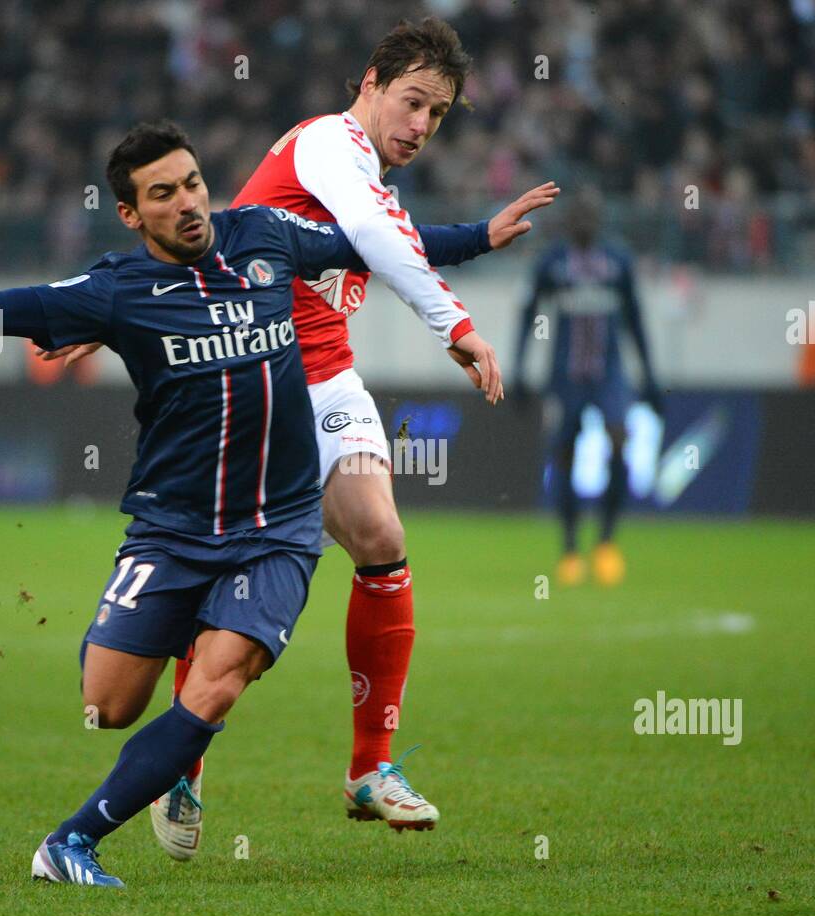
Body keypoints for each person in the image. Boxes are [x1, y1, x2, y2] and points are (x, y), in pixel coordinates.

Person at [0, 120, 502, 888]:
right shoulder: (115, 291)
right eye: (163, 194)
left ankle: (70, 842)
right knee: (109, 705)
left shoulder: (265, 236)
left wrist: (480, 236)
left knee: (217, 684)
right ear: (130, 213)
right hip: (173, 529)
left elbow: (380, 243)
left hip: (275, 529)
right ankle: (173, 665)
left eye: (191, 183)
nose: (188, 203)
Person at [42, 17, 559, 845]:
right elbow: (360, 241)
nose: (422, 126)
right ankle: (186, 755)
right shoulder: (327, 144)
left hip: (329, 377)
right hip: (256, 381)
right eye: (414, 102)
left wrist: (474, 239)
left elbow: (370, 242)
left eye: (439, 114)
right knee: (216, 574)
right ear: (369, 83)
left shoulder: (363, 179)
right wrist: (456, 326)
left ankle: (368, 769)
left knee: (381, 537)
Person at [514, 189, 662, 587]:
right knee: (563, 455)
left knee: (619, 441)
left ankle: (608, 541)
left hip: (609, 375)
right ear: (568, 221)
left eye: (591, 215)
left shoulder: (617, 261)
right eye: (578, 215)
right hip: (565, 376)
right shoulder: (553, 263)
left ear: (600, 219)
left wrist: (649, 375)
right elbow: (529, 313)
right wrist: (519, 367)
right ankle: (569, 547)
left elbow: (635, 319)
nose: (584, 222)